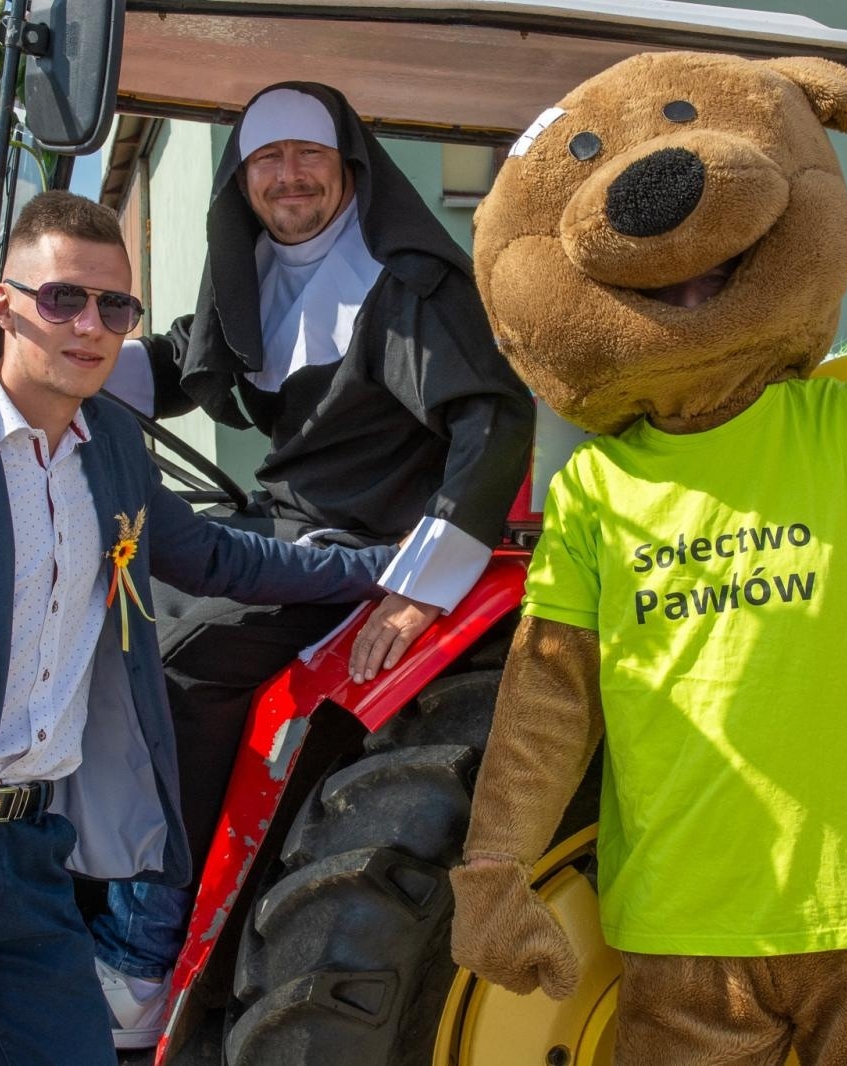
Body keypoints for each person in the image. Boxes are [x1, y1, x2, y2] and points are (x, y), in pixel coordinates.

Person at [0, 191, 396, 1065]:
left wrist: (396, 568)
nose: (90, 326)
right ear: (4, 304)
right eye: (63, 298)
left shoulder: (113, 448)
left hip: (29, 860)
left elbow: (221, 560)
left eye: (114, 307)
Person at [94, 81, 534, 1047]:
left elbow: (493, 419)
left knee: (184, 662)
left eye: (308, 157)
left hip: (375, 547)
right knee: (116, 607)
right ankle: (88, 885)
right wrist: (58, 361)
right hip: (291, 529)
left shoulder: (408, 285)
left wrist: (419, 587)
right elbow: (182, 359)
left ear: (350, 169)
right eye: (267, 160)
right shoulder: (254, 268)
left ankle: (146, 948)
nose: (288, 177)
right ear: (243, 179)